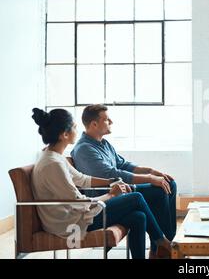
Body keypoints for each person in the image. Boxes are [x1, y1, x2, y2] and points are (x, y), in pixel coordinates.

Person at [30, 108, 171, 259]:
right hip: (69, 224)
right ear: (65, 134)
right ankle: (162, 242)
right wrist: (111, 194)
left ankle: (158, 246)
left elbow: (83, 179)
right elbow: (80, 203)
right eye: (75, 127)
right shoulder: (53, 164)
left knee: (138, 216)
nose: (78, 130)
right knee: (135, 198)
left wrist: (111, 182)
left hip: (74, 216)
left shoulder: (55, 157)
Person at [70, 104, 177, 256]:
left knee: (169, 184)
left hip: (121, 190)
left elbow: (123, 164)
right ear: (94, 124)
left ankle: (167, 241)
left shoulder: (103, 143)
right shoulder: (84, 149)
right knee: (159, 191)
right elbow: (111, 174)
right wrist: (150, 179)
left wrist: (152, 172)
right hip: (106, 196)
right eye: (107, 119)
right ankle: (161, 247)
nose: (111, 122)